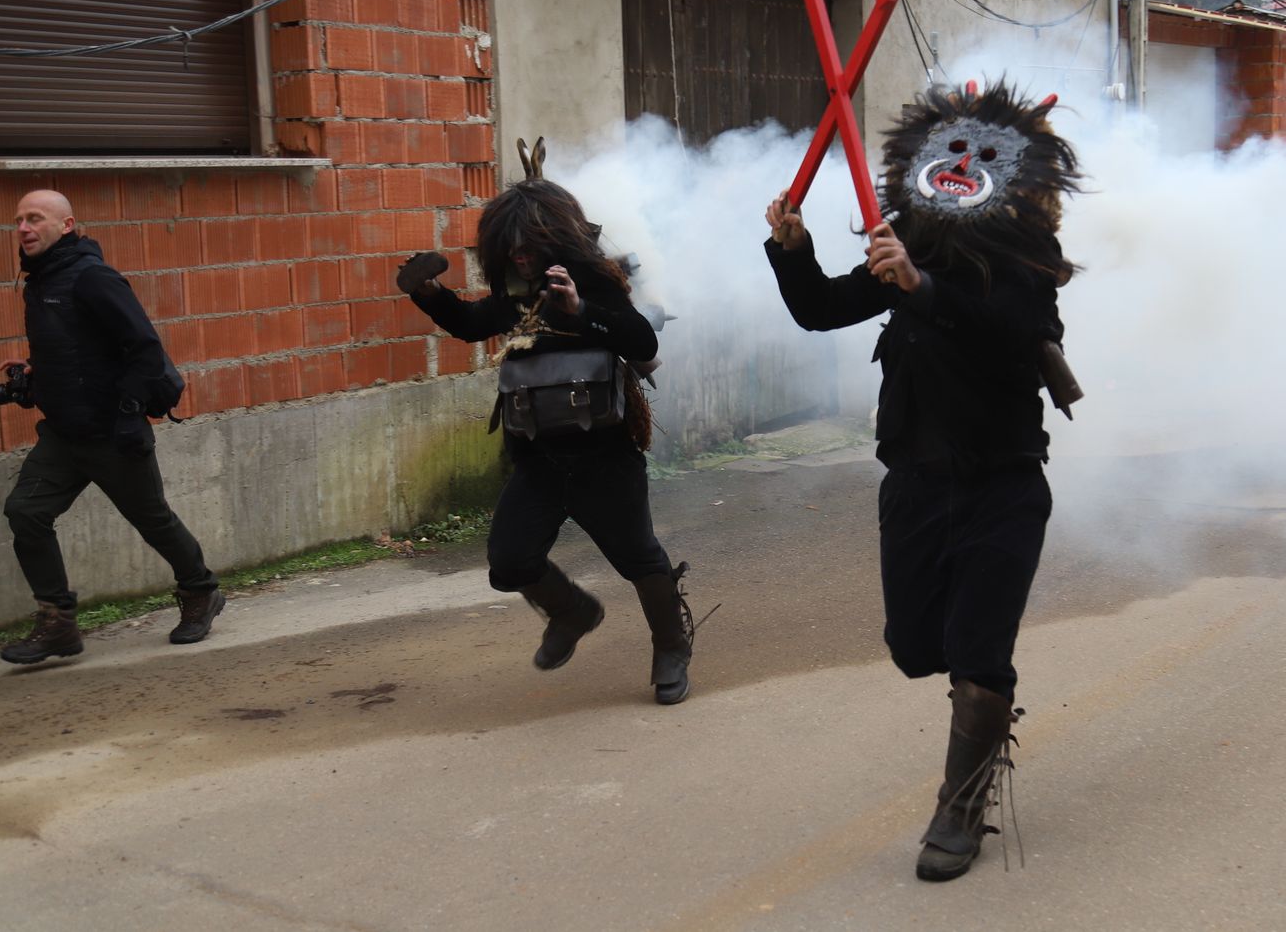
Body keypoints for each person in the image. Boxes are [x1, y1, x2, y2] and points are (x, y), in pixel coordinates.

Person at [763, 82, 1080, 881]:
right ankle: (973, 711)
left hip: (1004, 485)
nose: (964, 164)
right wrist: (793, 250)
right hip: (913, 483)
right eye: (953, 150)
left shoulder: (1026, 260)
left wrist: (923, 288)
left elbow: (1012, 330)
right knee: (913, 647)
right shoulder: (905, 244)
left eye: (984, 155)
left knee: (978, 650)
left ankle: (960, 805)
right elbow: (821, 309)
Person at [398, 140, 694, 705]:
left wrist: (580, 311)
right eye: (510, 247)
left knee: (640, 559)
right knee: (509, 562)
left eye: (528, 245)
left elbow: (642, 341)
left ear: (554, 239)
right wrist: (429, 292)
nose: (519, 257)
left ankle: (671, 646)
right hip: (537, 459)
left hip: (605, 455)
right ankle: (571, 611)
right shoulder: (514, 293)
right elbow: (470, 323)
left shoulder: (596, 281)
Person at [0, 190, 222, 665]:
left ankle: (201, 591)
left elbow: (144, 348)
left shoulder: (93, 278)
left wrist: (128, 413)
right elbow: (78, 347)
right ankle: (57, 623)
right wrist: (38, 371)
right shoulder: (40, 280)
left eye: (34, 218)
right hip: (63, 435)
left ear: (66, 225)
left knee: (153, 520)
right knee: (25, 511)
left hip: (111, 433)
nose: (23, 228)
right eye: (18, 220)